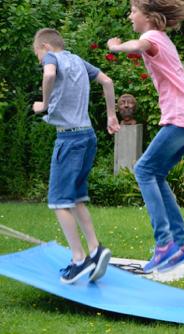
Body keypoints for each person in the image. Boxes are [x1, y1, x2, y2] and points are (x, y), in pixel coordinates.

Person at [107, 0, 184, 274]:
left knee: (143, 170)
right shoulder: (164, 41)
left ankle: (165, 243)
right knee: (156, 174)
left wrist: (116, 47)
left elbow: (140, 46)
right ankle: (183, 243)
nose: (130, 16)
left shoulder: (150, 36)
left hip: (183, 117)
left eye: (133, 11)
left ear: (149, 17)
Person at [32, 28, 120, 284]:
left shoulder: (52, 59)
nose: (41, 61)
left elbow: (49, 74)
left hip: (69, 139)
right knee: (76, 198)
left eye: (39, 55)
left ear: (46, 47)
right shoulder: (78, 60)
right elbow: (107, 81)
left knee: (59, 201)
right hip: (87, 136)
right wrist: (111, 115)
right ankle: (96, 250)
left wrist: (44, 104)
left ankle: (78, 259)